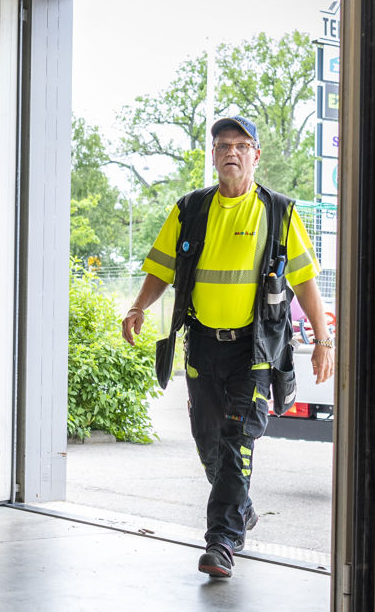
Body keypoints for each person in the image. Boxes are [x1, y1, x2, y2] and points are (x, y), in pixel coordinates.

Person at [122, 115, 335, 578]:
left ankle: (220, 542)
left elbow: (305, 283)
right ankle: (242, 511)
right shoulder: (190, 209)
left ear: (256, 154)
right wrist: (138, 307)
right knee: (209, 445)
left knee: (239, 442)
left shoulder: (277, 211)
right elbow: (161, 268)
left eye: (241, 145)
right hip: (202, 345)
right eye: (223, 145)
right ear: (214, 155)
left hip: (253, 351)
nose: (231, 152)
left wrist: (323, 341)